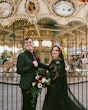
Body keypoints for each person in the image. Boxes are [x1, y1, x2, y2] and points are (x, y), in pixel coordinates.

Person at [42, 45, 86, 110]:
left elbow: (56, 76)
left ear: (59, 52)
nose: (54, 51)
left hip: (54, 90)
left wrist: (46, 80)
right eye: (53, 50)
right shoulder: (56, 61)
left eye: (56, 50)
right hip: (55, 89)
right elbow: (49, 69)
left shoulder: (57, 62)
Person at [16, 37, 49, 110]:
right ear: (24, 46)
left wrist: (50, 67)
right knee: (26, 105)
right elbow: (19, 70)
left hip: (35, 84)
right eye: (26, 42)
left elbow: (39, 64)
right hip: (26, 85)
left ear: (33, 44)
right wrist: (31, 65)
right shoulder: (22, 56)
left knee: (33, 105)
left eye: (30, 42)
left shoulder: (34, 55)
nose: (28, 44)